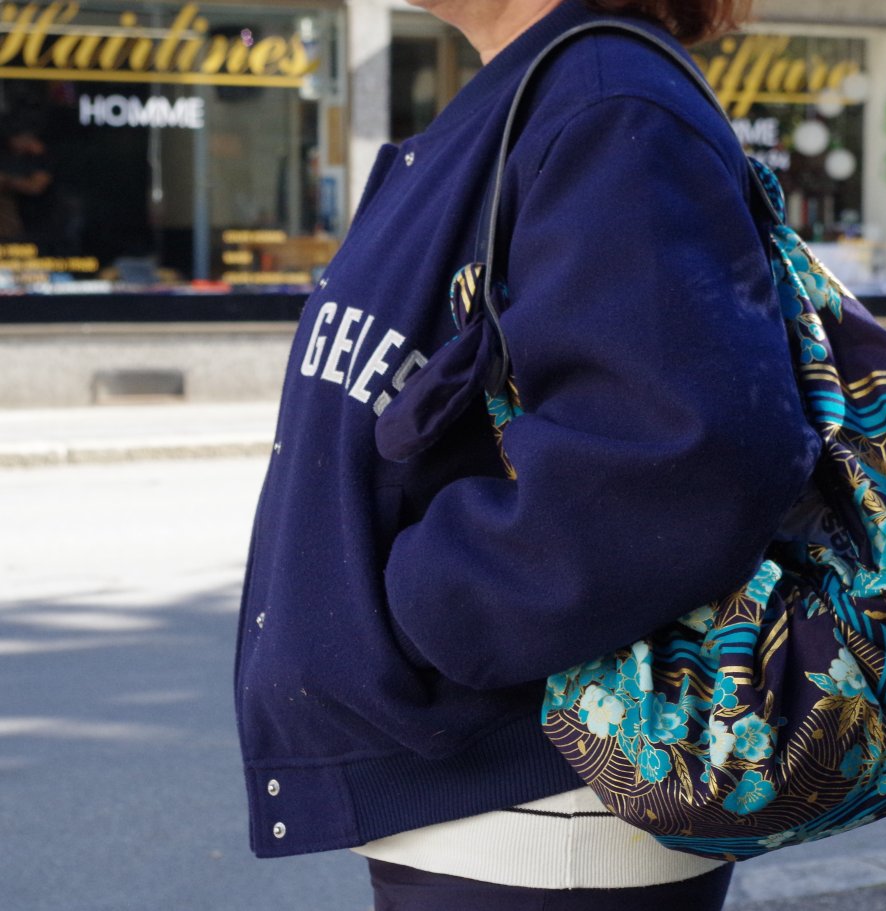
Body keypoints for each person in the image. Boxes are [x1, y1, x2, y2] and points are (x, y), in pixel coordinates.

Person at [234, 0, 821, 907]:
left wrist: (424, 609)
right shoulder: (539, 92)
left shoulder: (607, 103)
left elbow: (684, 453)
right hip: (489, 804)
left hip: (535, 812)